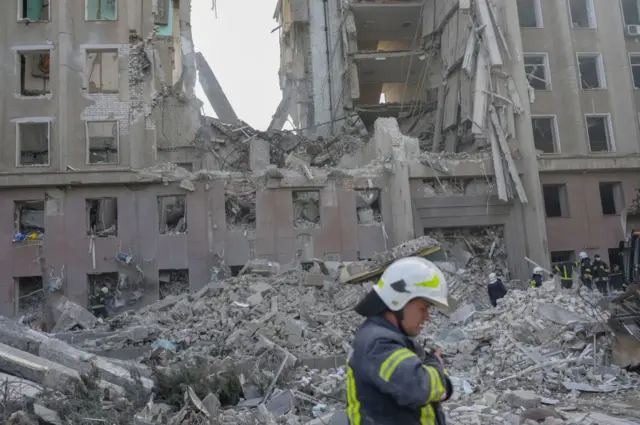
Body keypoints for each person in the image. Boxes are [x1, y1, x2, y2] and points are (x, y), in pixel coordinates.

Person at [347, 257, 453, 425]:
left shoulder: (391, 339)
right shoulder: (378, 344)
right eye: (423, 308)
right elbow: (418, 388)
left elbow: (438, 387)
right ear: (398, 301)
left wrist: (436, 377)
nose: (427, 317)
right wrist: (436, 367)